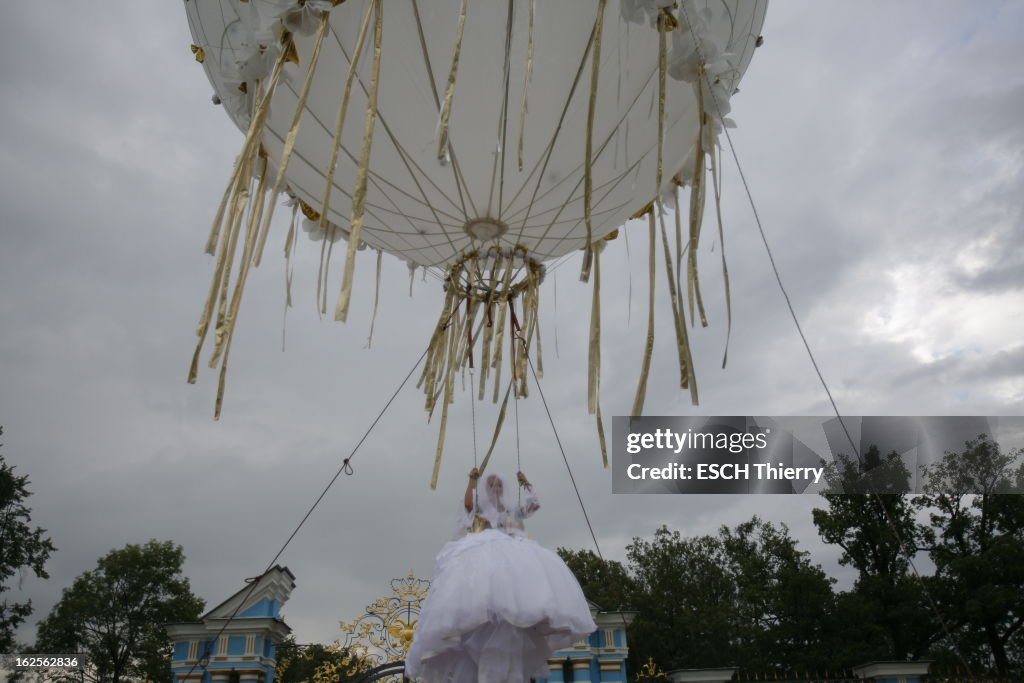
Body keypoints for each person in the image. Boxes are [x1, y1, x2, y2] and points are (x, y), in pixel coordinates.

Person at [404, 468, 597, 683]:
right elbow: (467, 505)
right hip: (484, 551)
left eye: (499, 485)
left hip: (509, 552)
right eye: (492, 485)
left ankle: (517, 618)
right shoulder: (480, 508)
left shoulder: (510, 509)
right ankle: (475, 622)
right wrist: (472, 480)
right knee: (478, 589)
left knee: (513, 593)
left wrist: (525, 483)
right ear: (486, 489)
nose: (496, 488)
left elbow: (533, 505)